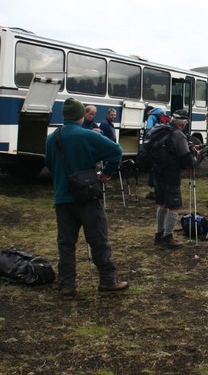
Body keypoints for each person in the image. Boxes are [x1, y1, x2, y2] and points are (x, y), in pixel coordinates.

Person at [44, 97, 128, 299]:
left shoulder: (52, 138)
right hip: (88, 196)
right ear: (81, 116)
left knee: (66, 244)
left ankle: (67, 286)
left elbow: (49, 164)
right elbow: (116, 151)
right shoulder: (88, 135)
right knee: (98, 240)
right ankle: (108, 280)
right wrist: (106, 173)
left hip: (62, 198)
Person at [153, 110, 196, 248]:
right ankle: (168, 237)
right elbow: (186, 157)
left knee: (161, 204)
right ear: (183, 123)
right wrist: (193, 159)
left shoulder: (161, 130)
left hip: (158, 171)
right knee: (174, 205)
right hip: (171, 173)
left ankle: (159, 233)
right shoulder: (178, 135)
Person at [143, 105, 166, 200]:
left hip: (154, 147)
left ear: (148, 112)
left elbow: (148, 129)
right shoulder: (162, 115)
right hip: (162, 147)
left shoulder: (151, 117)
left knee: (152, 169)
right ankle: (161, 190)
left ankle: (152, 191)